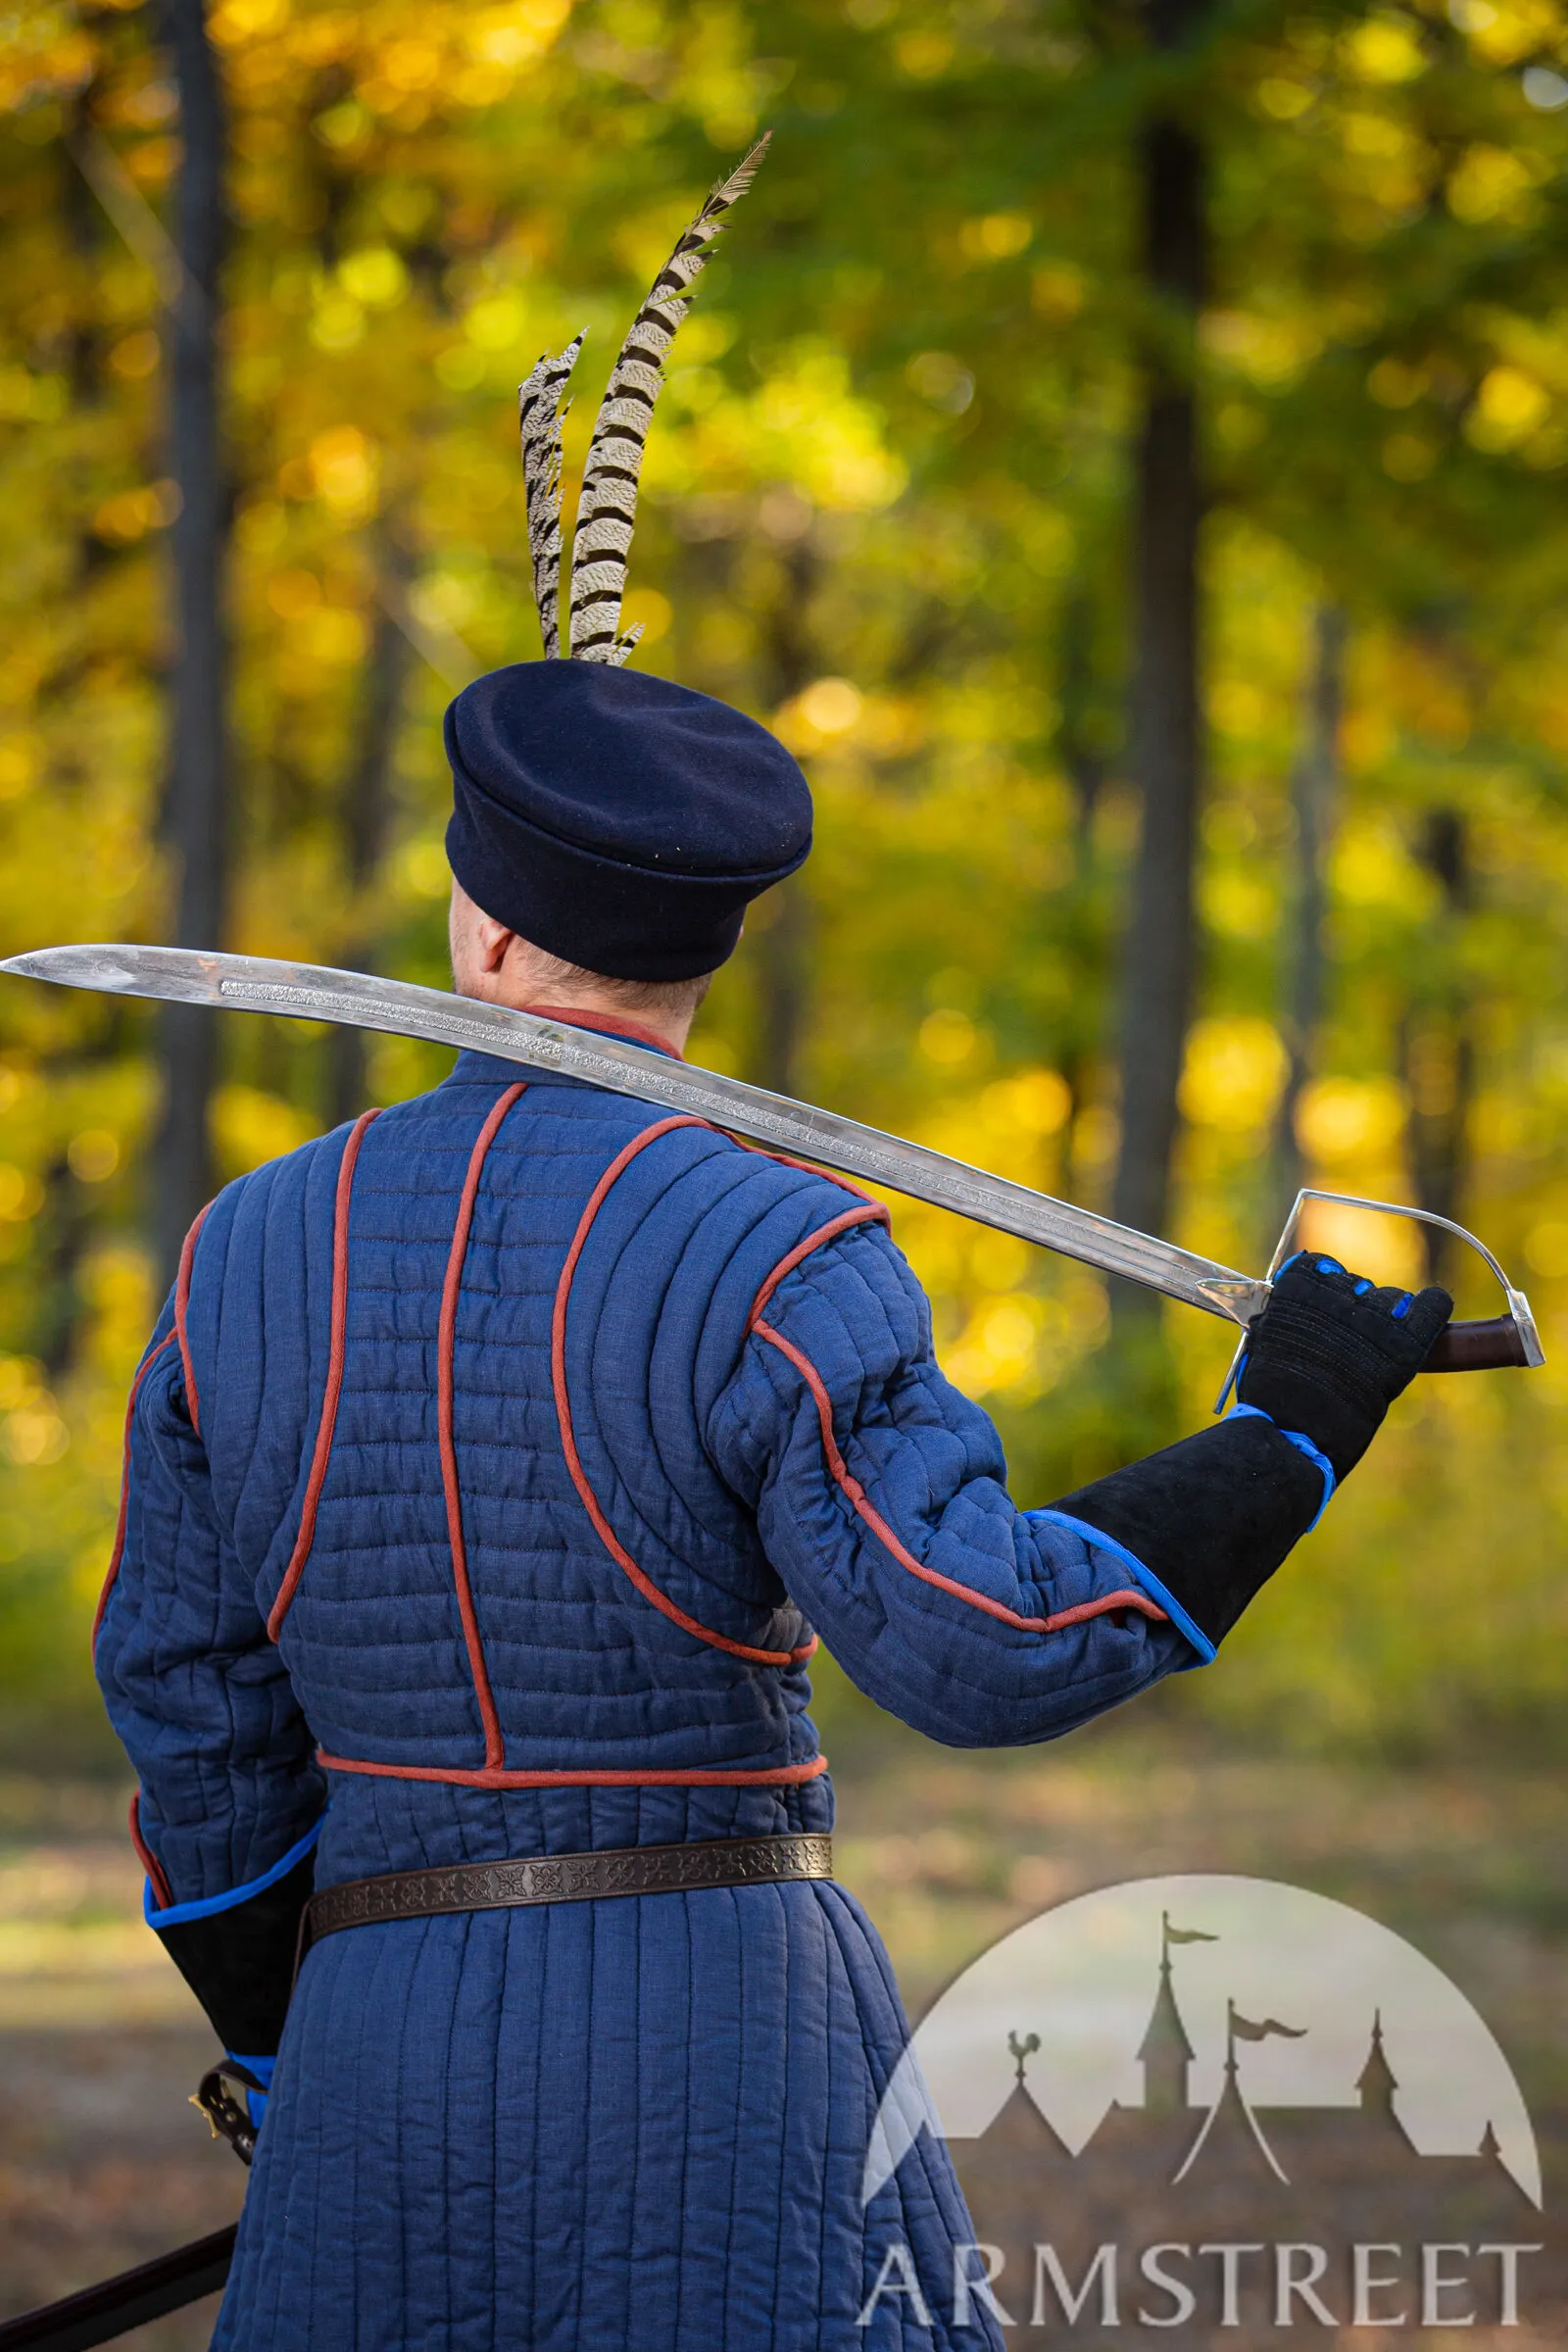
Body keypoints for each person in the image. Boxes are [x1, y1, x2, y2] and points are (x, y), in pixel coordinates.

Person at [92, 153, 1451, 2352]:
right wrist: (1286, 1429)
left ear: (477, 919)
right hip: (726, 2051)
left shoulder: (243, 1251)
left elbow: (185, 1707)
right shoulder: (777, 1243)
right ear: (700, 953)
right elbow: (977, 1644)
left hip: (370, 2047)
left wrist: (283, 2038)